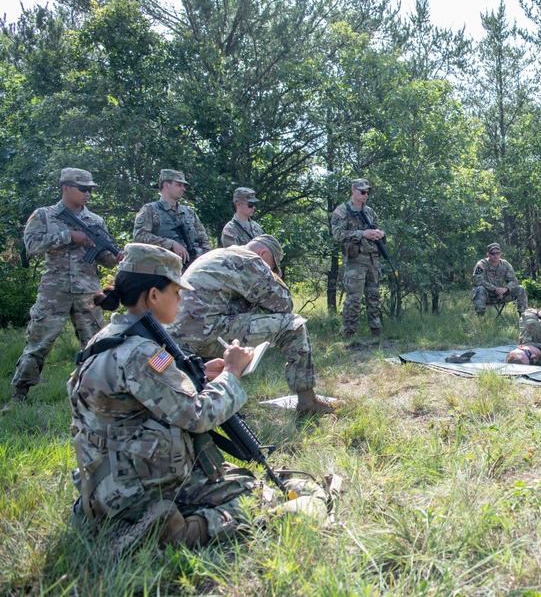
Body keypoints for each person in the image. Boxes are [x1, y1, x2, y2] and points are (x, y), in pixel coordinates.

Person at [68, 243, 257, 550]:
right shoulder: (143, 353)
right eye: (176, 292)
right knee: (247, 493)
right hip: (134, 494)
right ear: (154, 295)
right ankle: (174, 532)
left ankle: (108, 519)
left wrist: (193, 375)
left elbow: (142, 395)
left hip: (101, 483)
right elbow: (198, 416)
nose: (181, 300)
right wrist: (231, 373)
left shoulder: (108, 337)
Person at [168, 235, 339, 416]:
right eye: (272, 267)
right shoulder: (249, 259)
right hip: (205, 332)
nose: (270, 270)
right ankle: (308, 402)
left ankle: (211, 399)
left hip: (177, 340)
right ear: (263, 253)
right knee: (293, 324)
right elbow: (284, 304)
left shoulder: (218, 255)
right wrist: (273, 278)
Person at [4, 168, 123, 414]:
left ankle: (103, 395)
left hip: (87, 294)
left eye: (90, 189)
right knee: (38, 345)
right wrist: (67, 235)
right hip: (53, 292)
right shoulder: (44, 215)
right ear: (65, 188)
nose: (88, 194)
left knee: (96, 346)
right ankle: (19, 395)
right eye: (83, 189)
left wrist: (115, 258)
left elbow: (104, 258)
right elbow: (31, 245)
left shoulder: (96, 221)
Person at [329, 178, 384, 339]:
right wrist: (361, 234)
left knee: (374, 296)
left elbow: (377, 227)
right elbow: (338, 234)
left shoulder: (369, 212)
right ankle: (349, 333)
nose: (365, 194)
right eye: (362, 191)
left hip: (372, 259)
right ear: (353, 190)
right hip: (355, 261)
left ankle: (376, 331)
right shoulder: (342, 211)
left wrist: (380, 233)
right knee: (354, 298)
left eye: (367, 192)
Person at [133, 169, 210, 269]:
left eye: (183, 186)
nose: (183, 189)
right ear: (166, 185)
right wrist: (170, 243)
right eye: (178, 185)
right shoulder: (150, 210)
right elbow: (139, 235)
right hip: (161, 270)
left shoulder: (189, 213)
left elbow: (204, 241)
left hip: (189, 269)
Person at [471, 243, 528, 316]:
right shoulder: (482, 264)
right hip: (487, 295)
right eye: (493, 253)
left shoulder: (505, 264)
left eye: (498, 253)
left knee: (520, 288)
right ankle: (480, 319)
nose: (495, 256)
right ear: (488, 254)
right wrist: (495, 289)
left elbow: (513, 280)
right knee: (479, 289)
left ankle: (523, 317)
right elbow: (477, 280)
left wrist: (506, 289)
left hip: (502, 295)